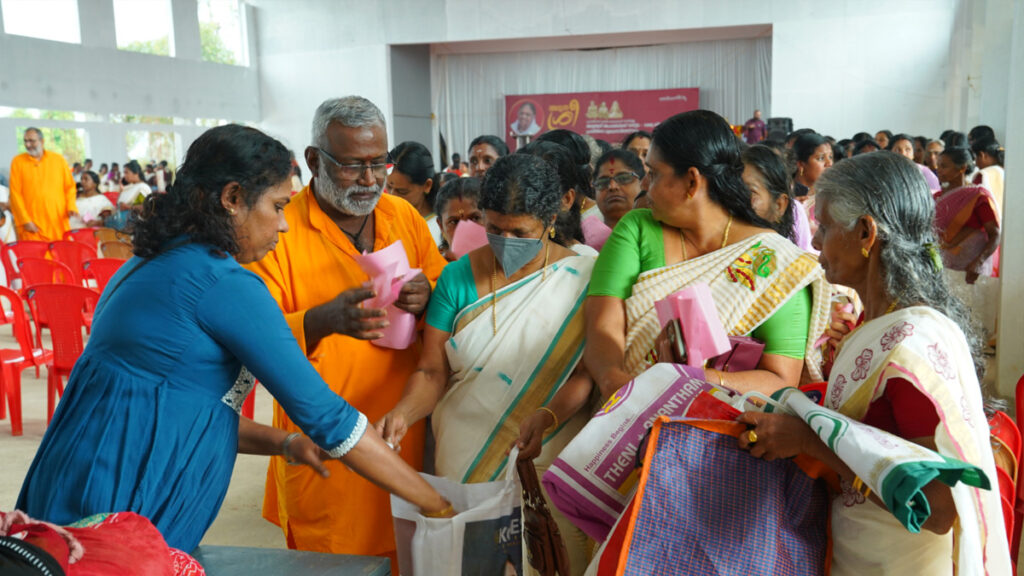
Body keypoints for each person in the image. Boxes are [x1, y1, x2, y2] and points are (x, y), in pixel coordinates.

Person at [16, 124, 452, 554]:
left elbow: (186, 407)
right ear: (232, 199)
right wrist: (436, 503)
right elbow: (330, 419)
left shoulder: (148, 264)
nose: (283, 226)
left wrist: (286, 443)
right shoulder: (219, 282)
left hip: (75, 490)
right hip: (115, 511)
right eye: (278, 207)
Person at [737, 151, 1010, 575]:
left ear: (865, 232)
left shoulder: (910, 343)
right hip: (861, 551)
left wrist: (809, 442)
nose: (813, 243)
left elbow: (937, 509)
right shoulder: (876, 324)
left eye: (824, 228)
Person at [244, 96, 448, 564]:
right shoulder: (279, 228)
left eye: (380, 163)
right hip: (325, 441)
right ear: (314, 160)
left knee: (409, 549)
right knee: (335, 560)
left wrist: (427, 292)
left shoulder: (403, 216)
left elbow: (441, 286)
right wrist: (323, 320)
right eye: (353, 166)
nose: (371, 179)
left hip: (401, 427)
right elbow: (255, 339)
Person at [377, 154, 596, 574]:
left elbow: (588, 373)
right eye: (494, 229)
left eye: (520, 232)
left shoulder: (585, 276)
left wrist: (549, 416)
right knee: (474, 562)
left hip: (550, 446)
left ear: (550, 218)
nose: (505, 240)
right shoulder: (458, 277)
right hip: (465, 453)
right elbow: (431, 371)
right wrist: (403, 413)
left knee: (549, 557)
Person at [584, 110, 829, 400]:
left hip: (718, 429)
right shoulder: (637, 229)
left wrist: (688, 381)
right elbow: (603, 327)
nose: (646, 187)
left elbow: (780, 379)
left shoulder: (776, 262)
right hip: (620, 413)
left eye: (655, 174)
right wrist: (620, 387)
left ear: (691, 181)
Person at [518, 140, 590, 253]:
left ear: (566, 200)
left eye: (536, 192)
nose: (525, 200)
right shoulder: (496, 251)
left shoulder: (584, 260)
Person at [8, 127, 78, 242]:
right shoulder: (18, 162)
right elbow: (15, 193)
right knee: (35, 258)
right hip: (33, 225)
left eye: (32, 141)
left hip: (57, 222)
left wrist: (71, 206)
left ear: (42, 141)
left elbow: (69, 187)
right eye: (25, 141)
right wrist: (25, 220)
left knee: (60, 256)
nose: (28, 145)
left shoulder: (58, 160)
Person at [740, 145, 812, 251]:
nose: (735, 200)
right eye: (732, 190)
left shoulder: (793, 264)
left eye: (749, 192)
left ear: (779, 205)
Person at [387, 141, 442, 247]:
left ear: (427, 185)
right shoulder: (385, 218)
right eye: (389, 187)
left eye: (402, 191)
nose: (392, 196)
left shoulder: (439, 229)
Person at [792, 132, 834, 238]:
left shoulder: (832, 195)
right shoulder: (784, 196)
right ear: (801, 164)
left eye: (830, 157)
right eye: (821, 158)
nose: (829, 163)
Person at [593, 148, 644, 230]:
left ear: (643, 183)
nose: (612, 186)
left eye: (623, 178)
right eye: (603, 182)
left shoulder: (659, 233)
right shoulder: (584, 235)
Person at [433, 177, 483, 261]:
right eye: (454, 222)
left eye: (475, 218)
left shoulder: (505, 265)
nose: (465, 232)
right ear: (441, 226)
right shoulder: (438, 270)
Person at [970, 137, 1004, 209]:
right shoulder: (1005, 171)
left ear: (982, 155)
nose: (976, 163)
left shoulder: (984, 175)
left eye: (976, 157)